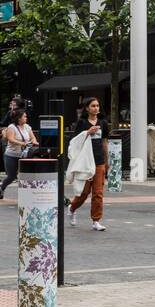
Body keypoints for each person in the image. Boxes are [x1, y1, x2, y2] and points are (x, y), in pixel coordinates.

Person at [67, 97, 109, 231]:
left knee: (98, 193)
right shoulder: (82, 123)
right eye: (93, 106)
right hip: (85, 162)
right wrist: (88, 132)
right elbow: (75, 142)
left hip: (99, 161)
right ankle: (72, 208)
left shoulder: (103, 123)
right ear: (87, 108)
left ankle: (96, 221)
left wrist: (107, 160)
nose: (96, 108)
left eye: (97, 106)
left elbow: (104, 142)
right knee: (83, 193)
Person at [0, 109, 38, 200]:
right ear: (19, 118)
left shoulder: (27, 127)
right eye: (24, 116)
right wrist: (22, 143)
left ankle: (26, 195)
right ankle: (2, 187)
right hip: (11, 155)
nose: (26, 118)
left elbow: (33, 138)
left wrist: (35, 142)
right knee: (12, 177)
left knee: (26, 175)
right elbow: (10, 139)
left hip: (24, 155)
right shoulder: (12, 127)